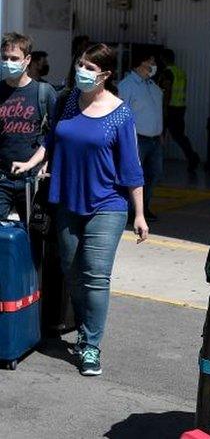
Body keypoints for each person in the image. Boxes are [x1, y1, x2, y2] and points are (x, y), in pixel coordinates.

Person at [13, 43, 149, 376]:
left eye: (90, 67)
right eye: (80, 64)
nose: (82, 71)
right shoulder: (67, 101)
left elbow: (132, 169)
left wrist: (140, 214)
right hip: (67, 201)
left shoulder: (120, 113)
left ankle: (91, 346)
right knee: (73, 273)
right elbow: (51, 142)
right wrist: (31, 162)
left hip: (108, 204)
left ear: (105, 74)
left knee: (95, 276)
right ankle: (86, 326)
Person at [0, 33, 57, 222]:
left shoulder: (44, 92)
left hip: (33, 179)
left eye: (14, 58)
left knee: (35, 238)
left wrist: (47, 162)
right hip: (2, 178)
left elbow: (56, 134)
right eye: (5, 58)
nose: (9, 62)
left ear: (27, 60)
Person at [118, 49, 163, 222]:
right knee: (134, 176)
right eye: (149, 62)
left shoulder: (152, 85)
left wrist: (161, 132)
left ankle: (143, 207)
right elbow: (120, 113)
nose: (152, 66)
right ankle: (131, 211)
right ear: (139, 64)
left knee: (154, 174)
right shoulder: (127, 85)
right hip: (137, 139)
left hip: (154, 139)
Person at [158, 48, 200, 171]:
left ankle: (154, 162)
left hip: (169, 108)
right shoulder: (180, 72)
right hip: (179, 107)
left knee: (158, 136)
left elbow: (167, 91)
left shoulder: (167, 73)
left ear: (164, 59)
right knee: (179, 136)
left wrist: (164, 108)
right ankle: (192, 157)